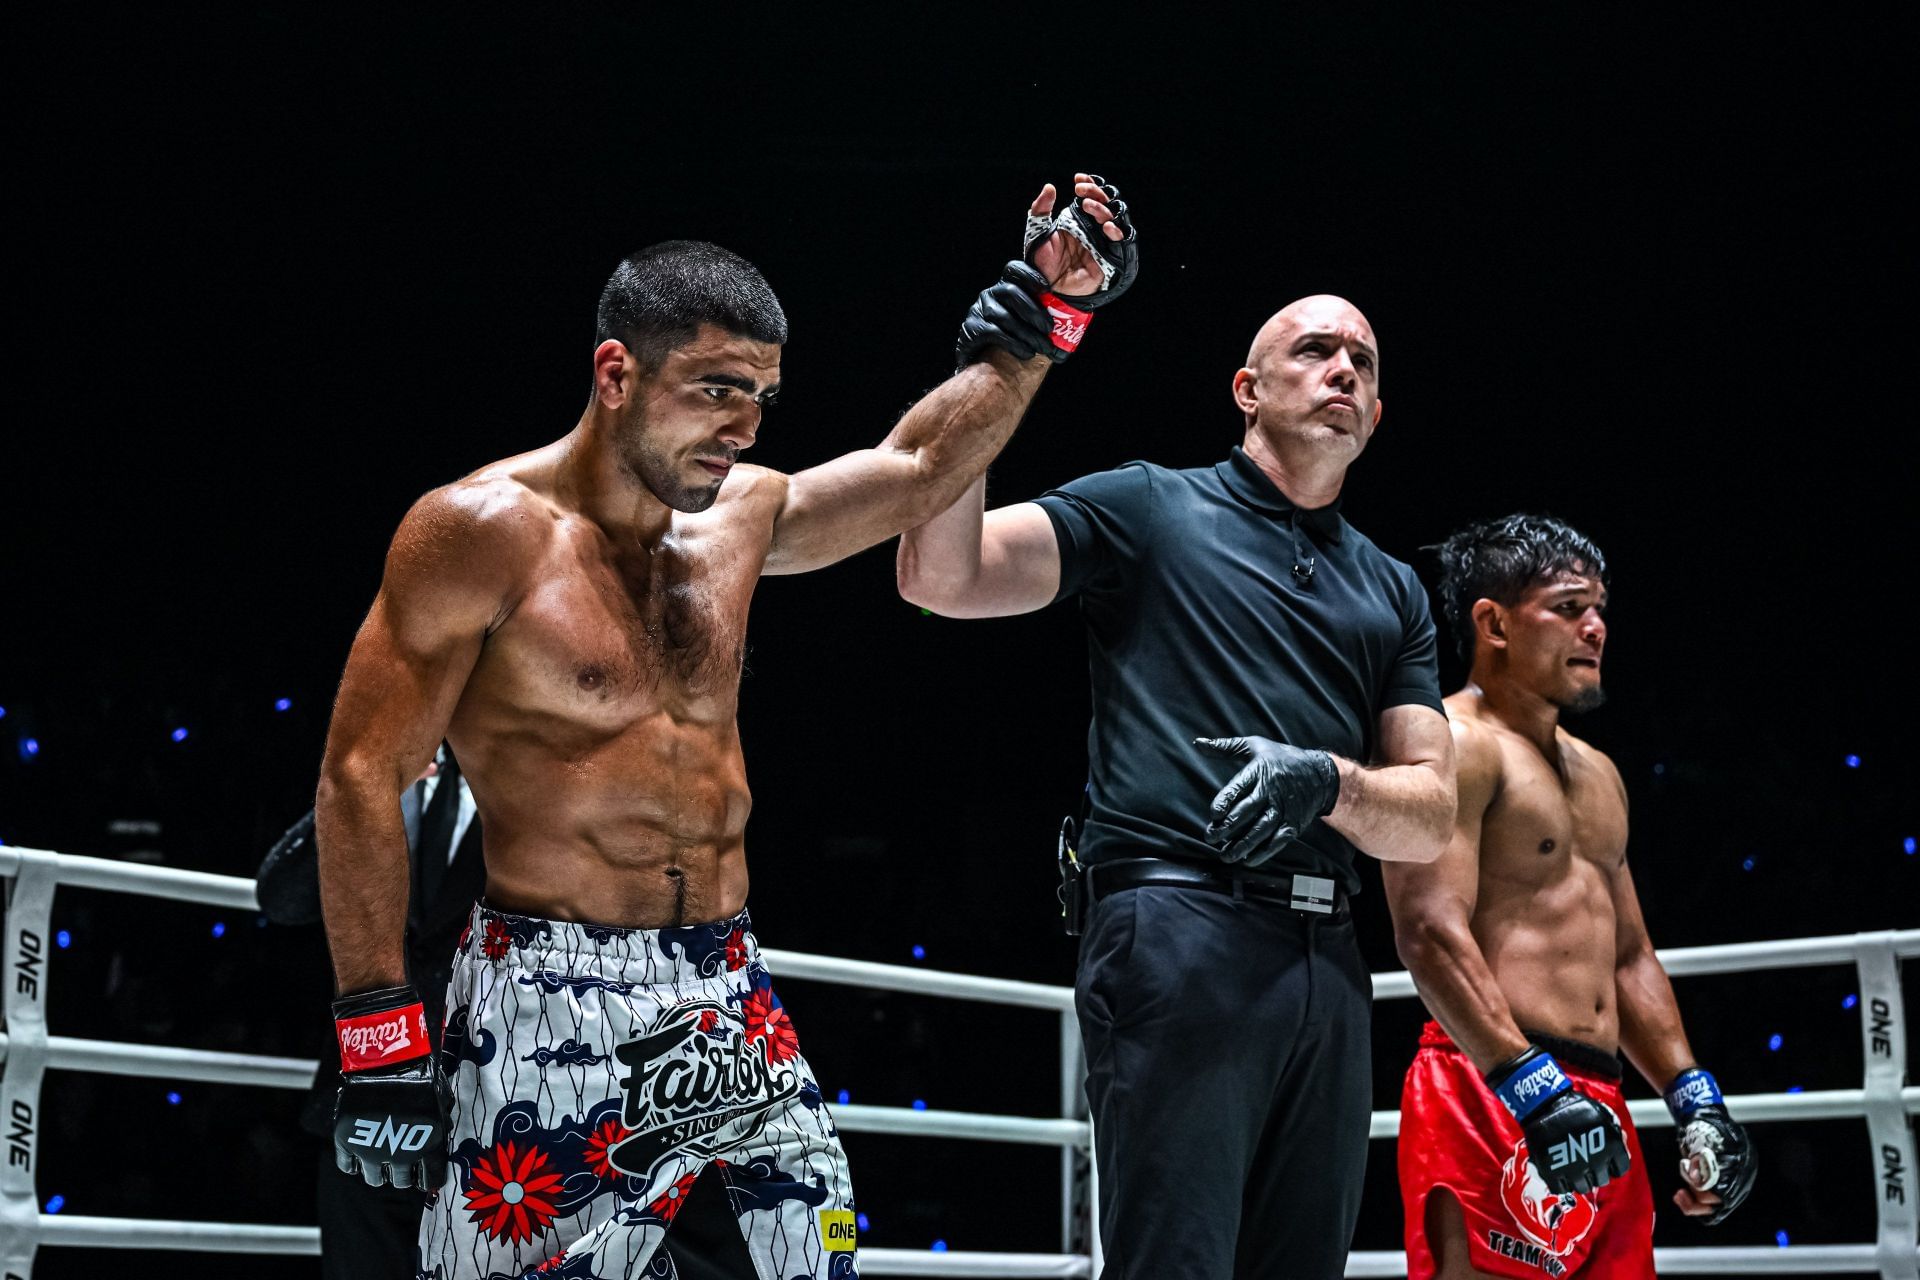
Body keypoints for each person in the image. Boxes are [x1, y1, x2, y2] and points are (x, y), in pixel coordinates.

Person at [314, 175, 1138, 1280]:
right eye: (714, 390)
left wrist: (1045, 322)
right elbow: (362, 777)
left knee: (812, 1250)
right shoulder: (477, 532)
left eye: (760, 396)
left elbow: (916, 469)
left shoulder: (738, 520)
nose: (743, 427)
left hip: (723, 978)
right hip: (545, 983)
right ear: (616, 373)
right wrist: (379, 1039)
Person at [897, 296, 1455, 1278]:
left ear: (1377, 414)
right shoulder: (1153, 505)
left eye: (1364, 362)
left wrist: (1325, 781)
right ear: (1247, 390)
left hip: (1329, 962)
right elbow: (943, 575)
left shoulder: (1393, 589)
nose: (1345, 372)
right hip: (1177, 923)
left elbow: (1430, 812)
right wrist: (981, 388)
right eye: (1316, 350)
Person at [1385, 514, 1755, 1280]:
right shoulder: (1450, 743)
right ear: (1492, 621)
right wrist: (1529, 1087)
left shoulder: (1599, 775)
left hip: (1600, 1099)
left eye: (1601, 611)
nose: (1595, 629)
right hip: (1491, 1079)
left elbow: (1628, 956)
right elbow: (1428, 929)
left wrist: (1695, 1099)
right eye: (1568, 608)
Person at [257, 746, 482, 1279]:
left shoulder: (538, 787)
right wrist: (360, 787)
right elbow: (281, 898)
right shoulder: (379, 779)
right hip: (363, 1103)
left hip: (484, 1110)